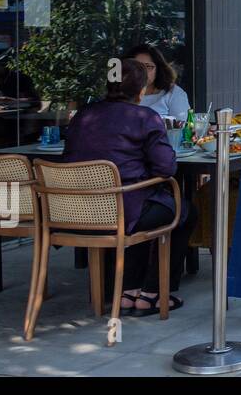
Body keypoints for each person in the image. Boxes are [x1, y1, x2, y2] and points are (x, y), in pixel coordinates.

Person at [61, 58, 197, 315]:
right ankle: (152, 294)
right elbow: (166, 168)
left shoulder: (83, 115)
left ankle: (128, 291)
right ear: (141, 89)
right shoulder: (145, 117)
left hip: (77, 210)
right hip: (123, 209)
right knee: (183, 211)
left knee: (146, 208)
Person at [124, 43, 190, 123]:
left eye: (148, 67)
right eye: (136, 66)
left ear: (158, 69)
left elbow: (181, 131)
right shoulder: (120, 94)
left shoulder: (173, 93)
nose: (142, 71)